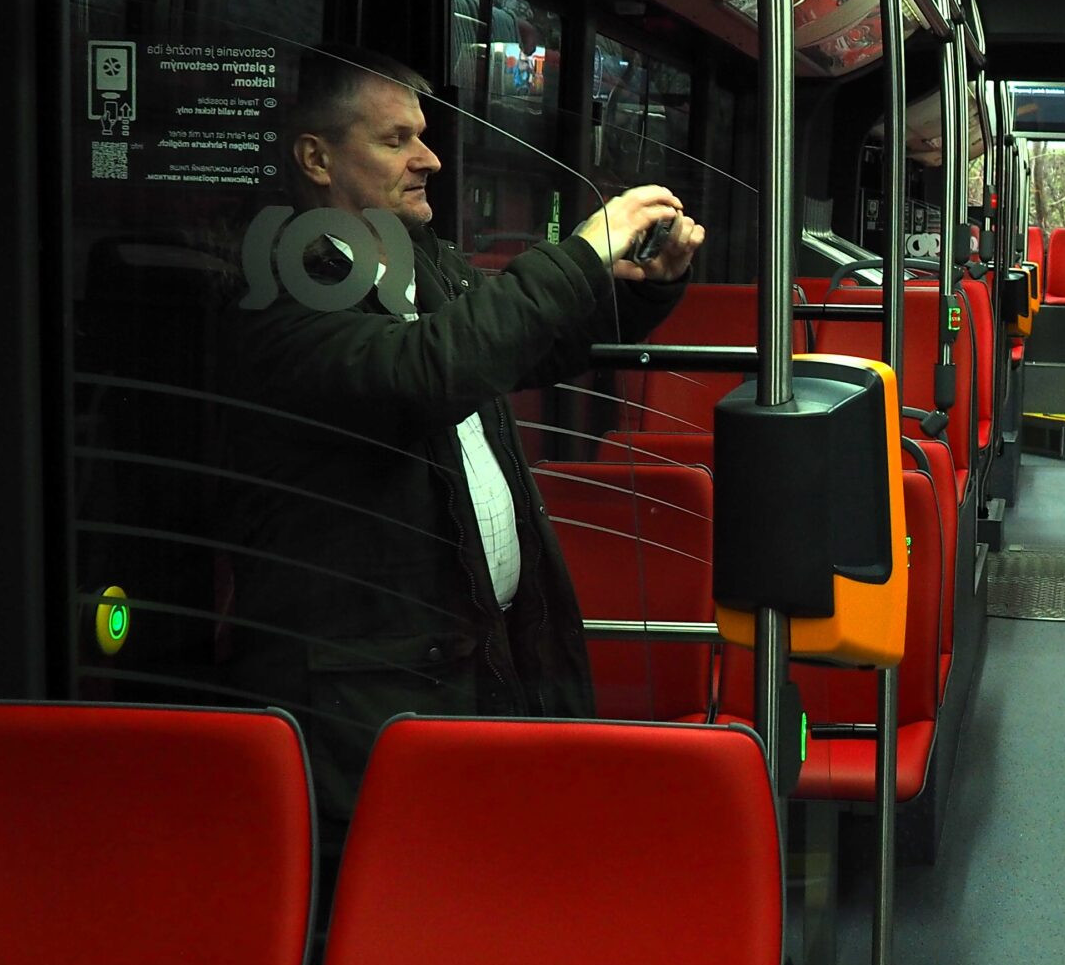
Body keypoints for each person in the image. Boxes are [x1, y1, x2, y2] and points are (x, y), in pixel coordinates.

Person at [214, 45, 703, 839]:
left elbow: (526, 347)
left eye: (423, 135)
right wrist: (582, 250)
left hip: (470, 648)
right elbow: (431, 369)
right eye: (396, 140)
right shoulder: (277, 289)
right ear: (316, 159)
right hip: (363, 687)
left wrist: (650, 288)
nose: (429, 159)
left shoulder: (409, 261)